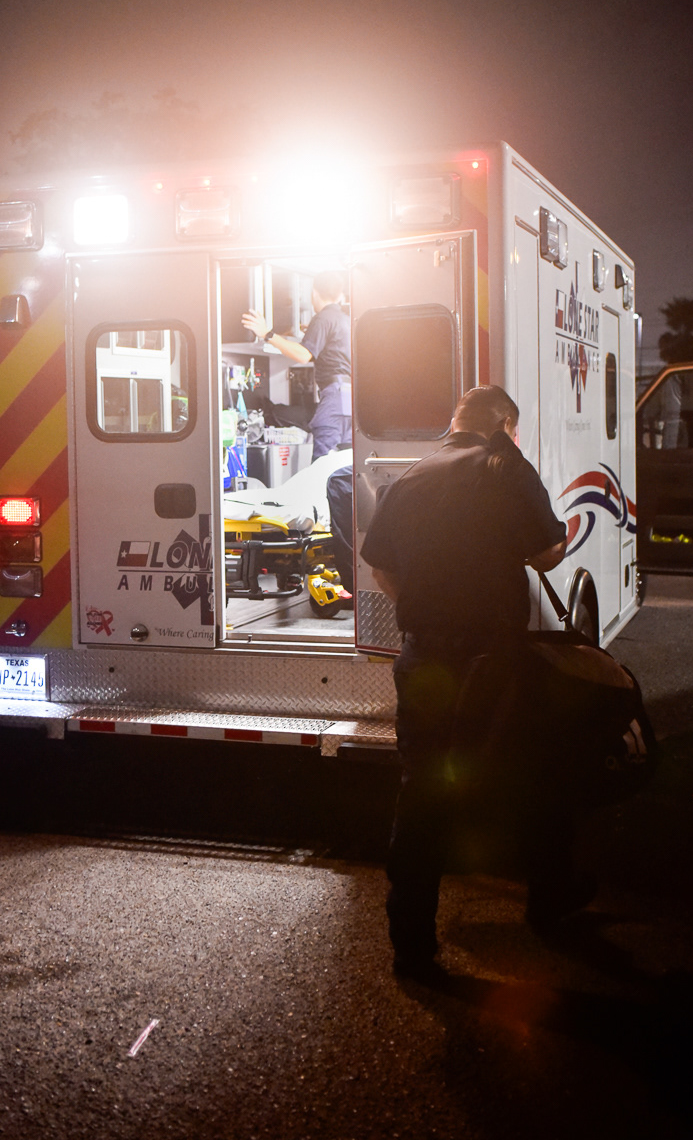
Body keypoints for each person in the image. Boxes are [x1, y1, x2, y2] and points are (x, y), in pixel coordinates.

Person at [360, 384, 585, 980]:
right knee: (537, 777)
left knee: (422, 793)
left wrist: (430, 608)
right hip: (495, 660)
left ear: (455, 421)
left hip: (425, 658)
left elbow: (380, 566)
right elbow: (546, 554)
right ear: (506, 425)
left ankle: (411, 947)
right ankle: (549, 907)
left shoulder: (410, 476)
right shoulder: (505, 465)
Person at [242, 271, 351, 461]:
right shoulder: (344, 320)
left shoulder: (323, 318)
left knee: (322, 465)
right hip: (349, 399)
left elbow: (302, 355)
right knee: (344, 465)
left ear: (314, 293)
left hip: (334, 397)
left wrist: (267, 334)